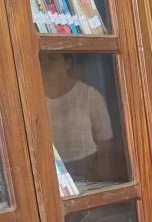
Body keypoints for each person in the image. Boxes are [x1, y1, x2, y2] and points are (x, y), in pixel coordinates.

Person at [42, 54, 116, 184]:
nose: (46, 64)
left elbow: (105, 141)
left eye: (52, 58)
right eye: (41, 59)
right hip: (50, 171)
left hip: (88, 170)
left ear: (68, 63)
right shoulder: (34, 97)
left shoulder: (88, 95)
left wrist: (95, 171)